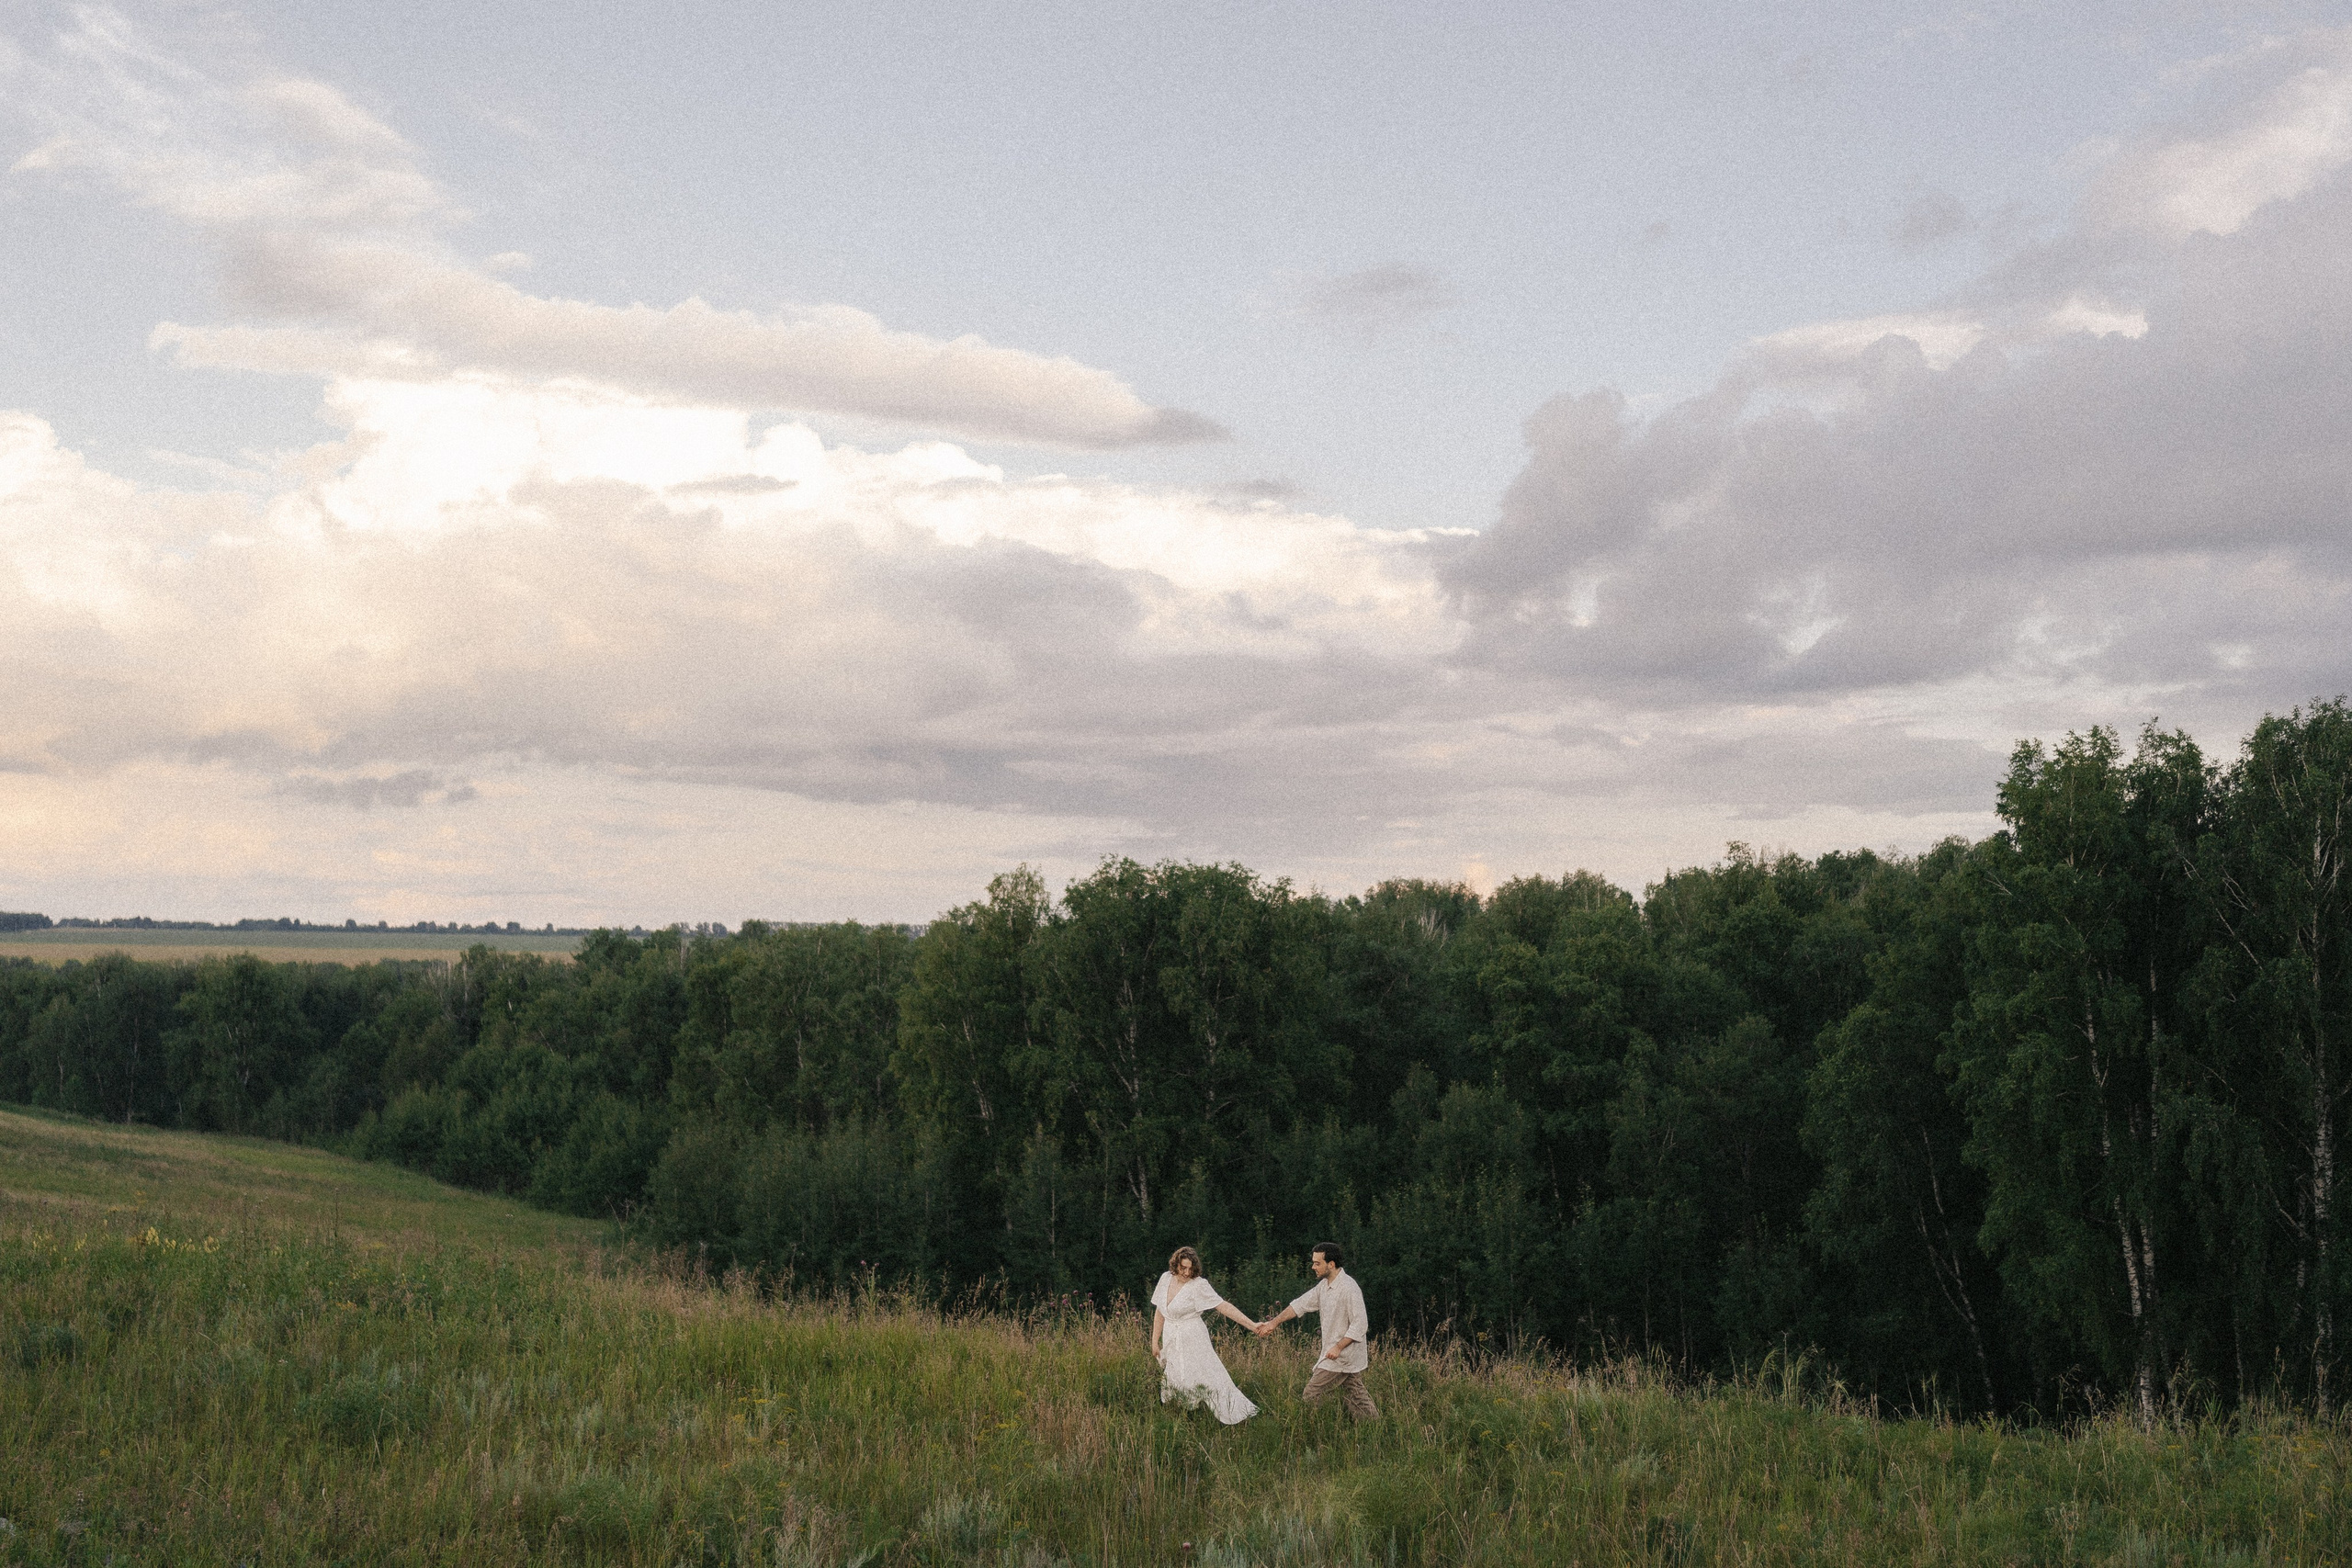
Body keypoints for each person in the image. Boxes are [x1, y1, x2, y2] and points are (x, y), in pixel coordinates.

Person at [1256, 1240, 1378, 1420]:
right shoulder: (1324, 1286)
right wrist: (1273, 1323)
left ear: (1331, 1264)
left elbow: (1360, 1324)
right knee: (1356, 1396)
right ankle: (1373, 1426)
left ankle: (1320, 1427)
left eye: (1317, 1263)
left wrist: (1338, 1347)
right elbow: (1300, 1305)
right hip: (1336, 1355)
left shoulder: (1349, 1288)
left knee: (1311, 1394)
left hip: (1342, 1356)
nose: (1313, 1267)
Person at [1149, 1246, 1262, 1424]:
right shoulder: (1165, 1279)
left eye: (1190, 1269)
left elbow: (1223, 1306)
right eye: (1183, 1268)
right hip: (1172, 1335)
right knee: (1177, 1373)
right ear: (1175, 1264)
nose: (1187, 1273)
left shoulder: (1198, 1285)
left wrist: (1252, 1325)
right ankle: (1185, 1413)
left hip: (1193, 1337)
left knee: (1208, 1373)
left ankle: (1235, 1410)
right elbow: (1159, 1311)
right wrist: (1155, 1341)